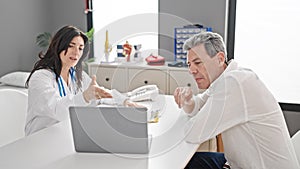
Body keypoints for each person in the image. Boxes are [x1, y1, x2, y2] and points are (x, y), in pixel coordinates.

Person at [174, 31, 299, 169]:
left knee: (182, 163)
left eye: (197, 62)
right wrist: (188, 101)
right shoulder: (225, 80)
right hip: (237, 163)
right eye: (189, 64)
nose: (192, 70)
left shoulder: (234, 83)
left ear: (220, 58)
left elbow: (194, 133)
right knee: (191, 161)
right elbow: (198, 106)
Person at [25, 25, 129, 136]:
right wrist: (85, 97)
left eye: (80, 48)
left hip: (66, 135)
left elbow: (99, 95)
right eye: (71, 46)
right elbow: (58, 110)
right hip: (41, 138)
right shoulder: (41, 77)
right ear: (58, 46)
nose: (76, 52)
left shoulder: (78, 75)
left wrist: (125, 101)